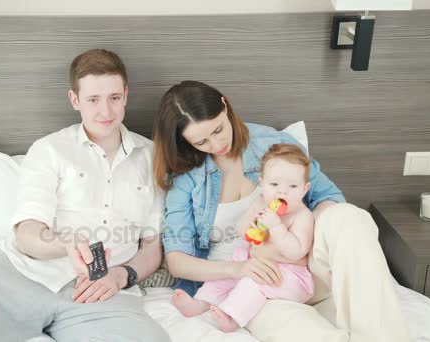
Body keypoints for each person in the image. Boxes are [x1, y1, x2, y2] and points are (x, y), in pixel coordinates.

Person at [0, 49, 170, 342]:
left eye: (114, 98)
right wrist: (66, 243)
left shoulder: (152, 158)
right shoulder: (49, 150)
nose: (106, 111)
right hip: (20, 274)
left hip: (103, 288)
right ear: (75, 100)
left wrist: (122, 276)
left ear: (126, 95)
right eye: (93, 100)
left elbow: (151, 246)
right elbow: (28, 232)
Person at [153, 80, 411, 342]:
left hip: (306, 266)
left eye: (218, 129)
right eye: (201, 142)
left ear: (224, 103)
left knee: (350, 217)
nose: (216, 143)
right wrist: (240, 269)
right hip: (254, 283)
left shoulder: (273, 144)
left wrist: (300, 239)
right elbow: (177, 261)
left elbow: (329, 198)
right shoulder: (188, 178)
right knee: (304, 332)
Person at [172, 143, 315, 333]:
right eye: (274, 184)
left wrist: (277, 227)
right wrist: (251, 223)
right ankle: (200, 302)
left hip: (288, 275)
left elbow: (296, 251)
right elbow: (241, 230)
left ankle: (232, 317)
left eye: (293, 186)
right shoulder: (261, 203)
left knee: (252, 283)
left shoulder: (302, 216)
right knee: (226, 273)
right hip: (253, 261)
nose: (282, 192)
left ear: (305, 189)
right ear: (261, 183)